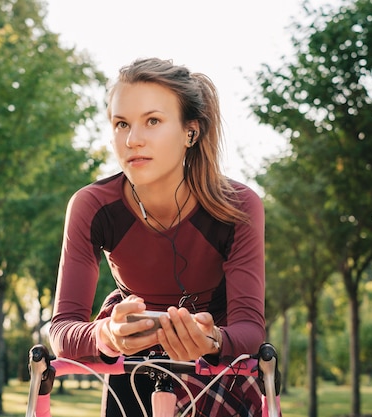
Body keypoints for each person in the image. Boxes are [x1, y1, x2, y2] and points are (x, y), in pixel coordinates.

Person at [49, 57, 266, 417]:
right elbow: (61, 330)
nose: (132, 140)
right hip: (131, 358)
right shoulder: (90, 206)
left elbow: (249, 329)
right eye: (121, 124)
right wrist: (107, 335)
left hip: (219, 360)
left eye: (152, 121)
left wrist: (211, 340)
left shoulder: (239, 206)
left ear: (190, 133)